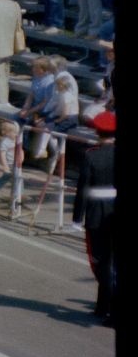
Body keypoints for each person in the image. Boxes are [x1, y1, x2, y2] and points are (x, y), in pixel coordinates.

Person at [73, 109, 116, 323]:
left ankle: (111, 307)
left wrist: (76, 217)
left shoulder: (92, 155)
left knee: (100, 264)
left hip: (97, 215)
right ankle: (102, 306)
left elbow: (83, 188)